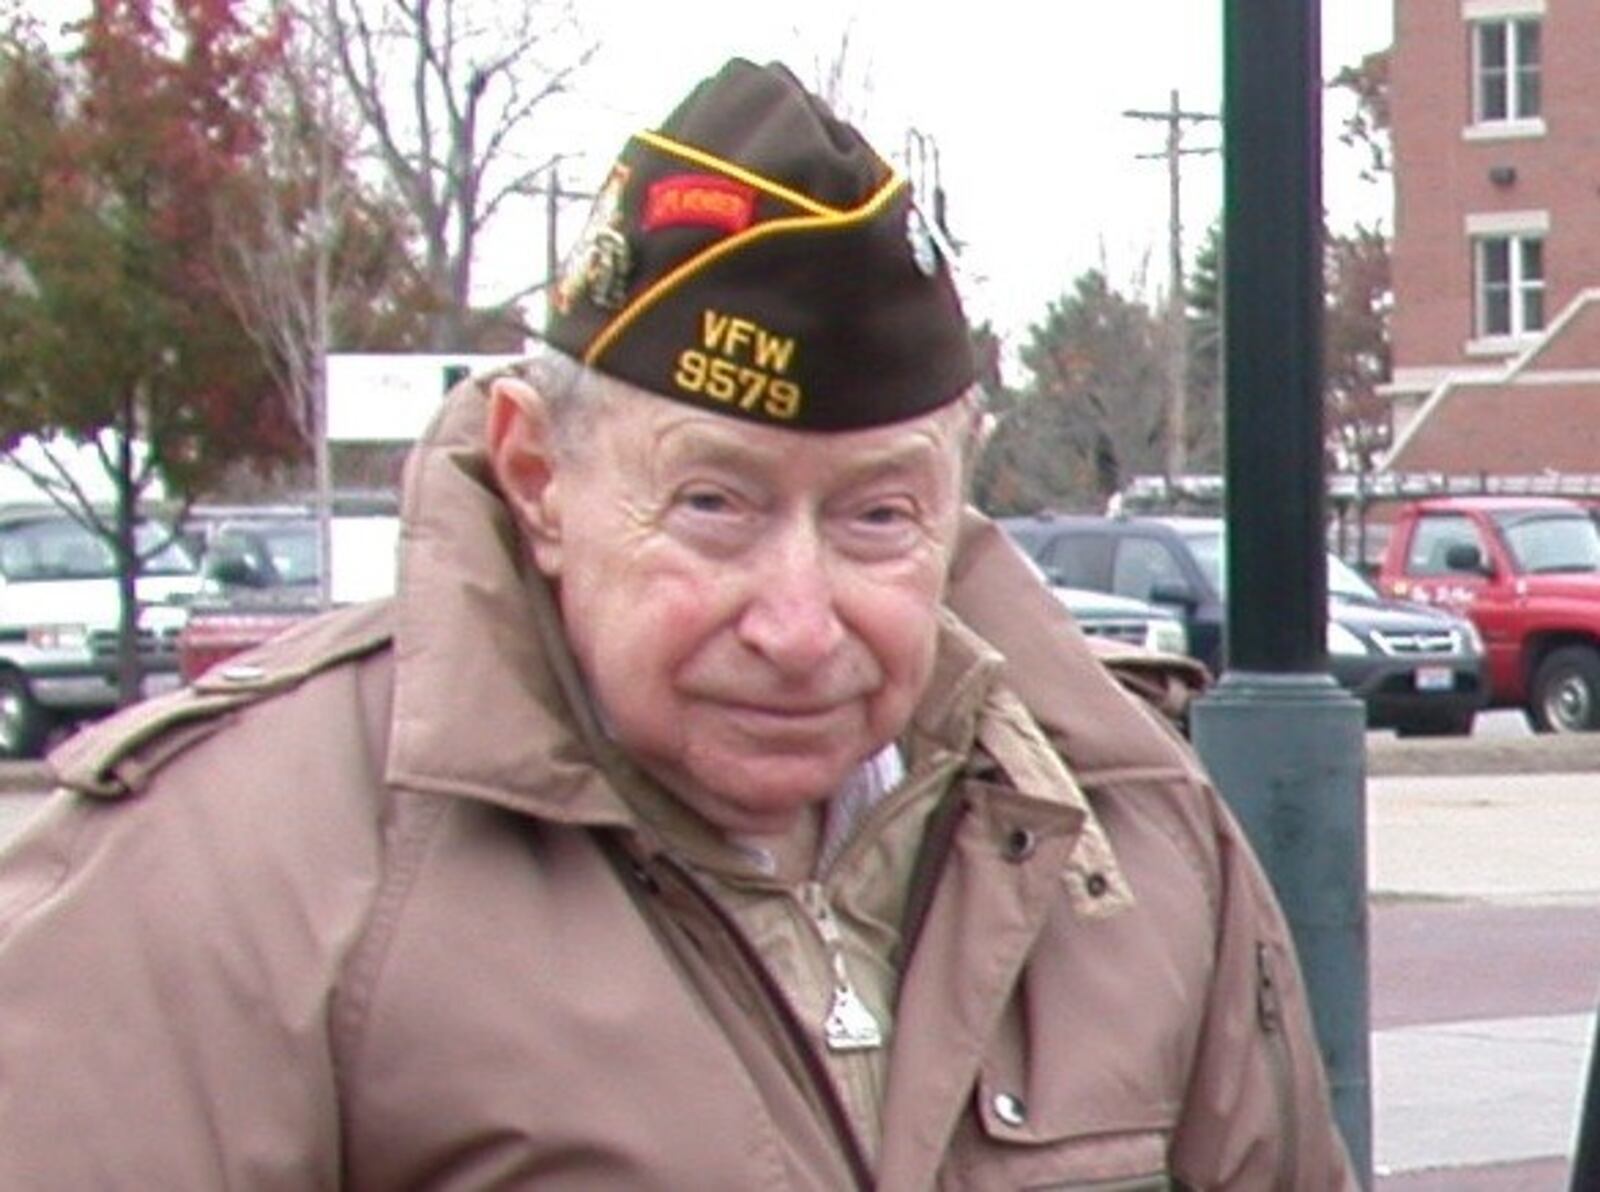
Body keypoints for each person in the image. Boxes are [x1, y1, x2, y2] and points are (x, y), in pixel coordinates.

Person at [0, 59, 1355, 1189]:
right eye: (715, 503)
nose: (800, 621)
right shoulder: (222, 875)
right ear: (540, 478)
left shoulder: (1135, 839)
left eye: (880, 517)